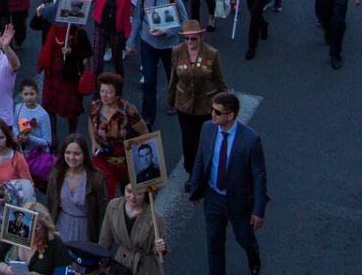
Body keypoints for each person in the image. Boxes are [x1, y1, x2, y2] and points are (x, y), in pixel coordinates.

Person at [184, 92, 265, 275]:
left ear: (231, 115)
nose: (212, 114)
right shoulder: (207, 128)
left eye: (217, 112)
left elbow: (259, 175)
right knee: (214, 242)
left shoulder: (250, 140)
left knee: (243, 237)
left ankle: (253, 255)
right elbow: (200, 157)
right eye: (212, 110)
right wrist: (195, 187)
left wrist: (258, 210)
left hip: (239, 201)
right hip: (213, 197)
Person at [167, 20, 225, 174]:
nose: (190, 42)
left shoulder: (211, 53)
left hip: (205, 106)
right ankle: (191, 171)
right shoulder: (177, 51)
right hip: (184, 105)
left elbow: (219, 81)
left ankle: (205, 170)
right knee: (188, 141)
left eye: (193, 38)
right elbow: (173, 77)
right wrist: (171, 100)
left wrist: (224, 107)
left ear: (201, 37)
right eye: (186, 39)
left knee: (205, 140)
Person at [97, 174, 167, 275]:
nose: (132, 197)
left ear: (146, 193)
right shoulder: (113, 207)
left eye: (138, 193)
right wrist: (100, 265)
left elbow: (160, 252)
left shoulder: (156, 219)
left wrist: (160, 248)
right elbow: (105, 240)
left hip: (146, 269)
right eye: (129, 191)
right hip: (121, 265)